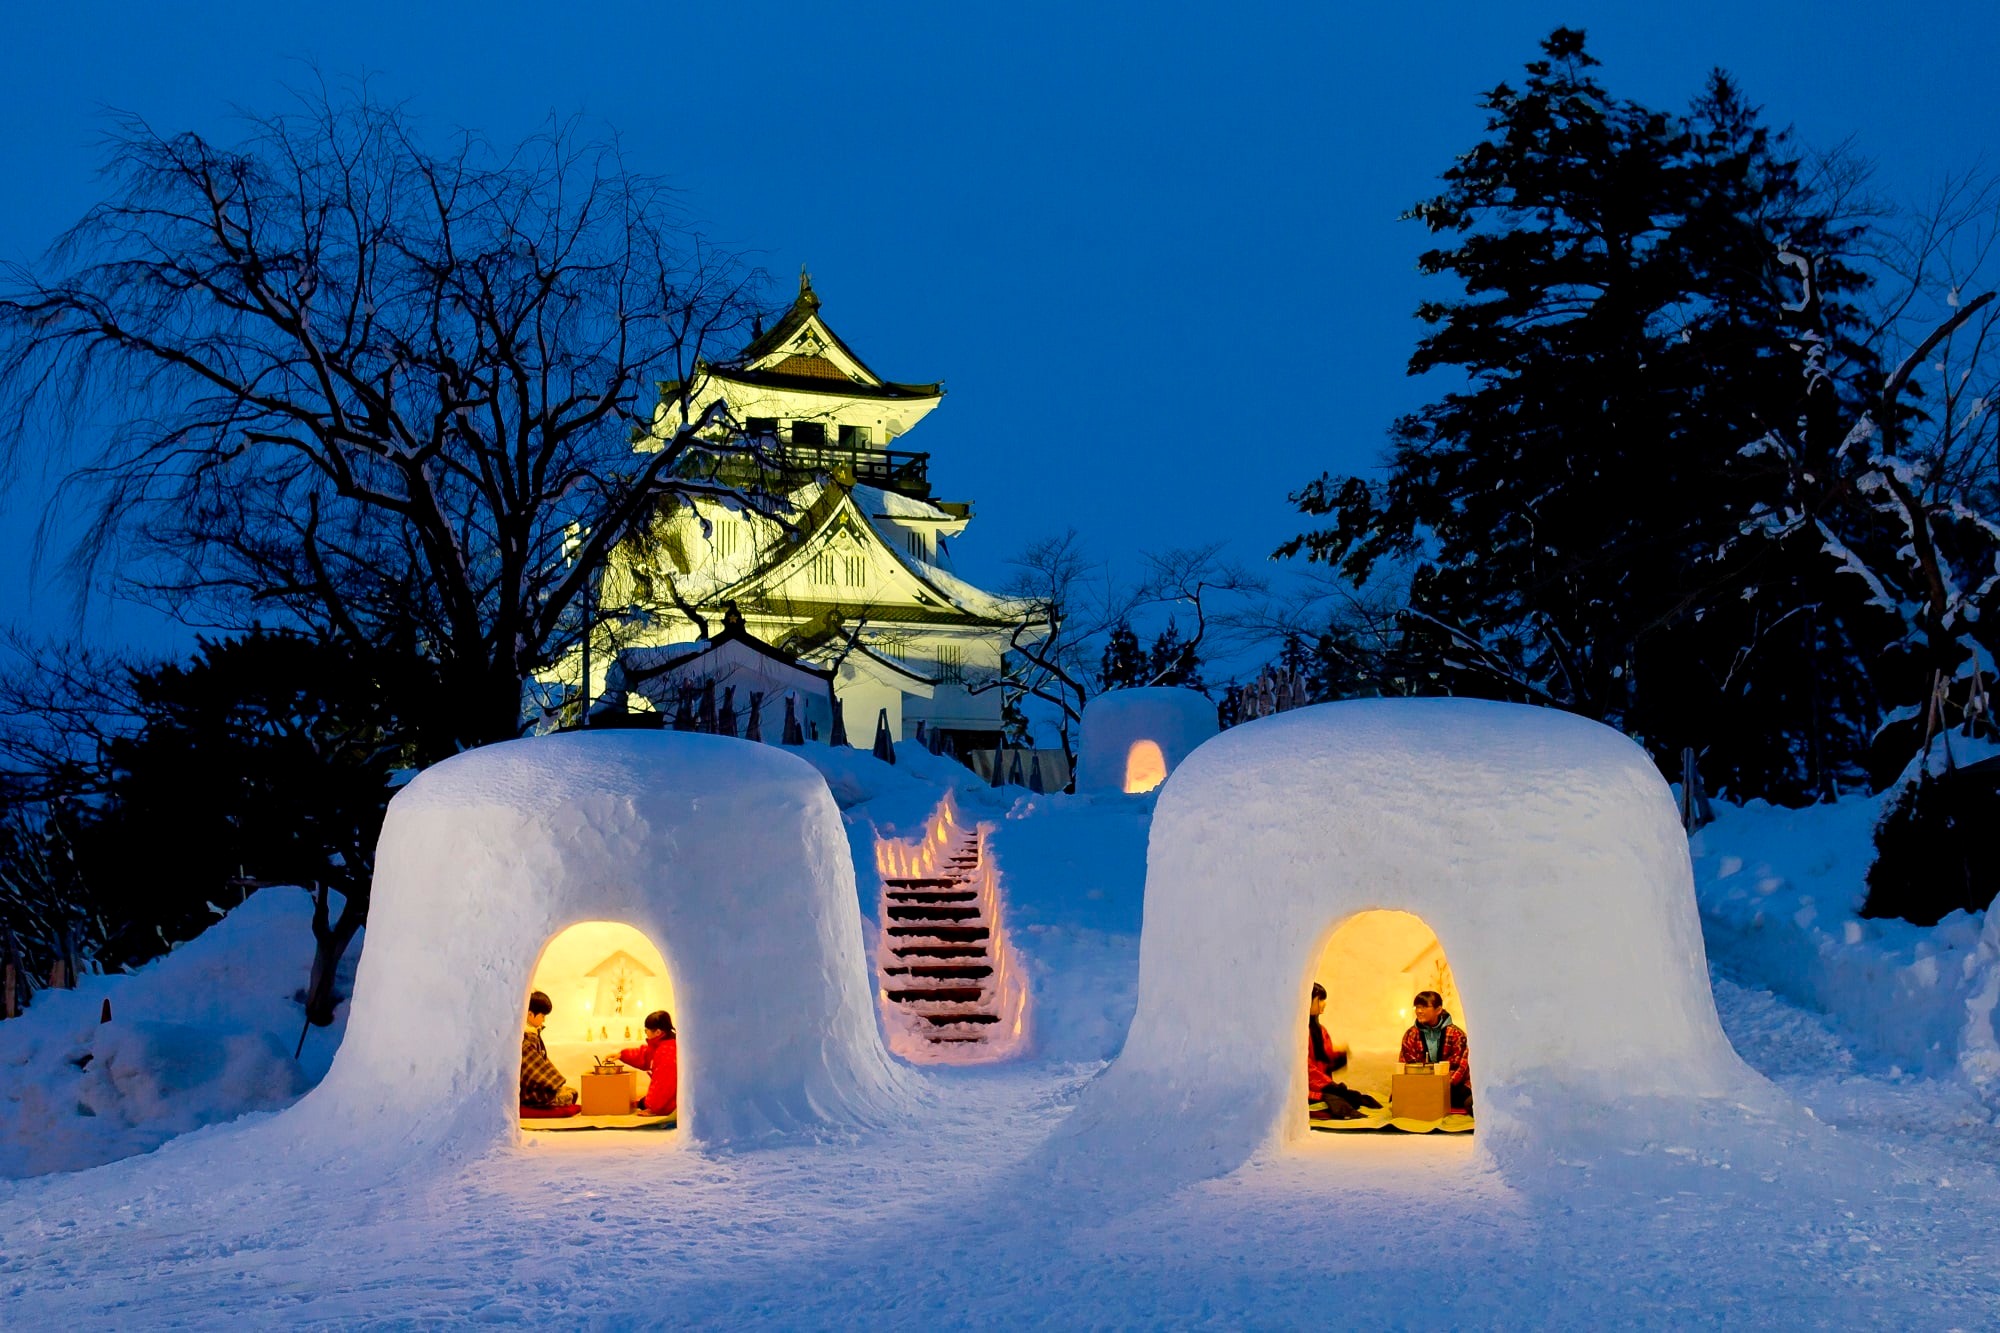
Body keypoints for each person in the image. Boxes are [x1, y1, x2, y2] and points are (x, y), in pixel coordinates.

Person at [1307, 982, 1380, 1120]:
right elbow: (1306, 1068)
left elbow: (1326, 1058)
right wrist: (1329, 1085)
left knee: (1359, 1098)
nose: (1324, 1003)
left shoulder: (1320, 1030)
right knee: (1337, 1102)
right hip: (1310, 1089)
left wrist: (1340, 1055)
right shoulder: (1298, 1032)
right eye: (1320, 999)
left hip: (1322, 1084)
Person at [1399, 989, 1472, 1113]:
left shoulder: (1456, 1034)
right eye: (1417, 1007)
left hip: (1451, 1086)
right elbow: (1405, 1062)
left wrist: (1439, 1086)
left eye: (1424, 1007)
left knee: (1460, 1097)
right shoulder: (1411, 1034)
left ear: (1438, 1010)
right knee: (1400, 1096)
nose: (1419, 1011)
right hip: (1422, 1085)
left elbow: (1461, 1067)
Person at [520, 990, 578, 1109]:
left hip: (536, 1085)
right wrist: (553, 1084)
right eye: (542, 1016)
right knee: (566, 1096)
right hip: (527, 1090)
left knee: (571, 1092)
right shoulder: (526, 1039)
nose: (544, 1020)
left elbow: (542, 1061)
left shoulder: (533, 1034)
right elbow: (532, 1068)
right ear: (530, 1014)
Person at [618, 1009, 678, 1117]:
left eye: (646, 1030)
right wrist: (621, 1055)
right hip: (666, 1098)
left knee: (642, 1103)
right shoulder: (662, 1044)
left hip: (670, 1102)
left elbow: (663, 1083)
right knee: (640, 1102)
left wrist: (653, 1108)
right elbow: (645, 1055)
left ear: (658, 1032)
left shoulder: (667, 1051)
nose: (645, 1032)